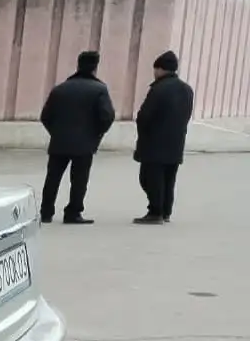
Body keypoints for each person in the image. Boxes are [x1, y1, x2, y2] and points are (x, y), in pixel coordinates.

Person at [38, 50, 115, 224]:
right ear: (95, 68)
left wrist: (56, 132)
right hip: (85, 143)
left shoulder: (60, 89)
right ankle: (73, 212)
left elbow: (46, 116)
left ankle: (46, 212)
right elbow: (107, 116)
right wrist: (96, 134)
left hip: (59, 141)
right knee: (79, 180)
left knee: (53, 177)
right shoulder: (99, 89)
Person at [133, 50, 193, 224]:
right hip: (176, 141)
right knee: (169, 178)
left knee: (149, 178)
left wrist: (143, 132)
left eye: (155, 69)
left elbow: (145, 116)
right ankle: (166, 211)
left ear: (160, 69)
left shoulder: (158, 89)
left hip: (154, 142)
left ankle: (155, 212)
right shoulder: (187, 89)